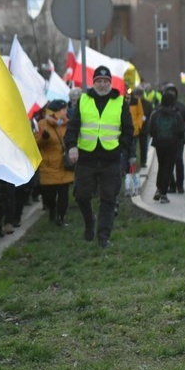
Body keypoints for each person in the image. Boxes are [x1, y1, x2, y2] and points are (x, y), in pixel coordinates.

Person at [65, 66, 134, 248]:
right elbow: (72, 127)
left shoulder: (120, 102)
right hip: (86, 158)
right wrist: (72, 146)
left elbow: (128, 130)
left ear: (110, 83)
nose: (102, 84)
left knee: (109, 198)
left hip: (110, 159)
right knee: (81, 195)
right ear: (93, 82)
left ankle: (103, 237)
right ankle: (89, 221)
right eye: (98, 81)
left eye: (105, 81)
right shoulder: (83, 100)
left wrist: (120, 148)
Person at [34, 100, 75, 226]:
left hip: (64, 165)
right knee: (49, 196)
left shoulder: (68, 125)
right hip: (49, 166)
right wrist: (43, 139)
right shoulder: (42, 124)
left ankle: (60, 218)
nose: (66, 112)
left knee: (63, 194)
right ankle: (52, 210)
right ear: (56, 112)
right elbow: (36, 144)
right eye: (63, 109)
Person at [148, 91, 185, 204]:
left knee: (161, 166)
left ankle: (159, 189)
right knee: (168, 169)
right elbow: (180, 131)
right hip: (172, 145)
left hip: (159, 144)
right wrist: (181, 143)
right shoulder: (176, 115)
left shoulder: (155, 114)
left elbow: (151, 130)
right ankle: (163, 193)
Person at [161, 83, 185, 193]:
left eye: (173, 92)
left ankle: (180, 185)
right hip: (165, 140)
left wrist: (182, 129)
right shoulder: (161, 107)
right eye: (169, 92)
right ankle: (171, 185)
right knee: (167, 163)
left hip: (178, 140)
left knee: (178, 161)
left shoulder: (181, 107)